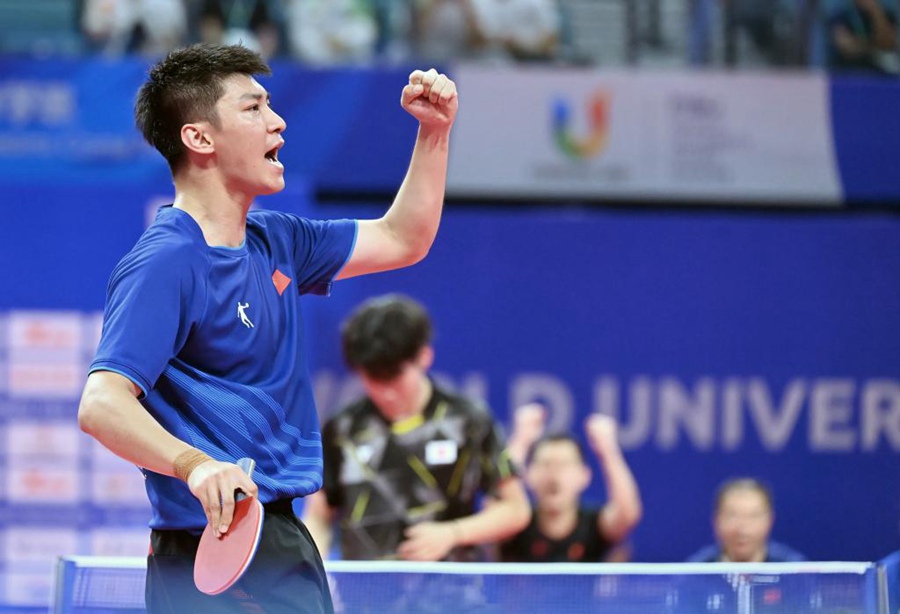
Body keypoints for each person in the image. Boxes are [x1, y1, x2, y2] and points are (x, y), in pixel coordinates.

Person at [77, 43, 458, 613]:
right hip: (208, 546)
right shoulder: (168, 261)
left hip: (277, 536)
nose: (278, 121)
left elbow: (405, 239)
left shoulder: (277, 241)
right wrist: (195, 463)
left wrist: (434, 132)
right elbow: (102, 403)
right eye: (253, 108)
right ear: (200, 138)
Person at [302, 294, 531, 562]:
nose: (386, 393)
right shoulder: (343, 427)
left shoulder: (468, 419)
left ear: (424, 356)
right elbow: (318, 517)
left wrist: (453, 533)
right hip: (366, 598)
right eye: (373, 378)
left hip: (453, 596)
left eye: (395, 377)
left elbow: (516, 509)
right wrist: (316, 573)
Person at [500, 405, 642, 562]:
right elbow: (496, 498)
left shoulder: (596, 525)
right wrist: (520, 440)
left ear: (584, 476)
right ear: (529, 475)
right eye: (546, 464)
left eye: (564, 464)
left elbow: (627, 514)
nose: (554, 474)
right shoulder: (516, 522)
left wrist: (608, 450)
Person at [687, 478, 805, 563]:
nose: (742, 529)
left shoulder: (792, 570)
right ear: (716, 520)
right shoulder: (696, 571)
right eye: (732, 516)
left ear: (770, 520)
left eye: (753, 516)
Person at [828, 0, 898, 74]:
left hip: (879, 74)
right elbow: (846, 48)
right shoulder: (841, 14)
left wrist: (875, 12)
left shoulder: (885, 14)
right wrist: (874, 51)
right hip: (848, 73)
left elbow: (888, 44)